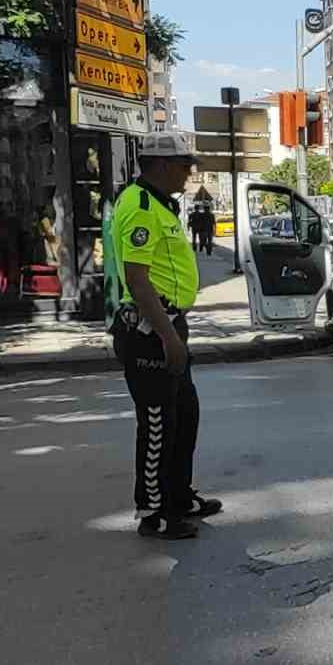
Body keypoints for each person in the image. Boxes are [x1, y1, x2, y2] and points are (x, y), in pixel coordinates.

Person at [110, 132, 221, 540]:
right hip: (149, 330)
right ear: (159, 165)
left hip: (168, 324)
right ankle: (153, 513)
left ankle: (178, 497)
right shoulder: (140, 207)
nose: (189, 173)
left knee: (184, 416)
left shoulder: (160, 204)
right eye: (183, 165)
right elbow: (138, 280)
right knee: (158, 424)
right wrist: (168, 338)